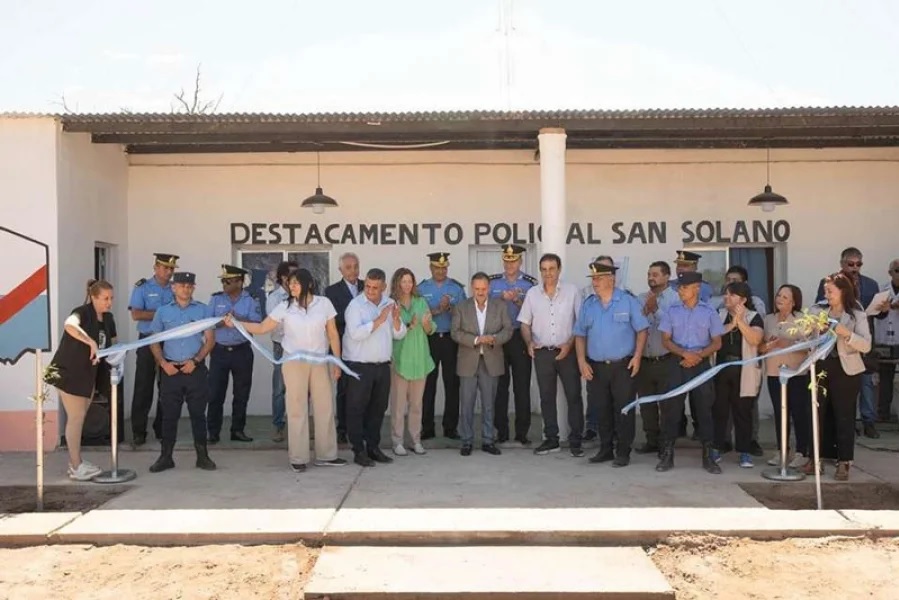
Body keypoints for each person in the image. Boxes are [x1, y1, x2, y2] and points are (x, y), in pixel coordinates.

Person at [227, 269, 346, 472]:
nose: (291, 287)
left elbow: (333, 334)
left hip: (319, 362)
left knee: (325, 407)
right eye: (290, 283)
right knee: (296, 408)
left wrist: (337, 362)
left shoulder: (323, 304)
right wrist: (237, 323)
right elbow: (263, 327)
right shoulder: (284, 307)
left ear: (308, 284)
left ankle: (327, 454)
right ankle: (298, 457)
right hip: (294, 363)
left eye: (296, 283)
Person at [574, 262, 649, 467]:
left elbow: (642, 330)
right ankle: (605, 449)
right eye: (593, 279)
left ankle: (623, 451)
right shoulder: (589, 304)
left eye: (599, 278)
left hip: (622, 366)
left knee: (623, 410)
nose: (595, 282)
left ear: (612, 279)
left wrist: (637, 357)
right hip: (596, 366)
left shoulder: (627, 301)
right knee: (601, 409)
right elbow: (579, 334)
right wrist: (581, 361)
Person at [47, 280, 117, 481]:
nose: (109, 302)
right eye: (105, 298)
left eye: (111, 298)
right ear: (93, 297)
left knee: (80, 417)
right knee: (76, 418)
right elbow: (69, 325)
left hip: (90, 375)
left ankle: (75, 461)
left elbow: (113, 341)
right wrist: (90, 341)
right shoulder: (82, 312)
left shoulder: (108, 318)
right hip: (70, 372)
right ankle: (76, 466)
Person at [147, 272, 216, 473]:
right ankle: (166, 456)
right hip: (170, 370)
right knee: (169, 415)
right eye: (181, 285)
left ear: (193, 288)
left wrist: (196, 361)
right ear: (173, 288)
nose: (185, 289)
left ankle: (202, 456)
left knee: (198, 414)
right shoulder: (162, 312)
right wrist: (162, 363)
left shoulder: (203, 310)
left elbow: (210, 339)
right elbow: (154, 340)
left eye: (189, 285)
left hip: (194, 368)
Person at [806, 273, 872, 481]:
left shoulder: (856, 314)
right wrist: (814, 330)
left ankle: (844, 462)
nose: (827, 295)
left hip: (846, 369)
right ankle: (814, 459)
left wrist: (846, 333)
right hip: (821, 366)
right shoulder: (818, 311)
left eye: (831, 291)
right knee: (816, 413)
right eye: (826, 291)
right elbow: (805, 337)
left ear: (843, 291)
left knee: (844, 415)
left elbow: (866, 345)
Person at [658, 272, 724, 474]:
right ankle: (667, 454)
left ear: (696, 288)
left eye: (684, 287)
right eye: (679, 287)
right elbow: (666, 340)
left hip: (701, 364)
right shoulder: (671, 310)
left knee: (704, 409)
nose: (680, 291)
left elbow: (717, 342)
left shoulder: (709, 311)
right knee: (672, 409)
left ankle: (708, 456)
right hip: (677, 363)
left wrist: (698, 356)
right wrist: (685, 354)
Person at [518, 253, 584, 457]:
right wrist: (529, 342)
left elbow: (580, 323)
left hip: (568, 352)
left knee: (573, 396)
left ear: (559, 269)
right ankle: (551, 439)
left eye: (552, 268)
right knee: (546, 398)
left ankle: (576, 441)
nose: (548, 273)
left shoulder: (572, 291)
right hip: (542, 353)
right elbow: (524, 323)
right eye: (544, 269)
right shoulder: (532, 294)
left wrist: (569, 344)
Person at [343, 268, 407, 467]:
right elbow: (355, 334)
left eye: (375, 288)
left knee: (378, 409)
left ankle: (373, 447)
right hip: (359, 366)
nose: (370, 291)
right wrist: (378, 320)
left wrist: (395, 320)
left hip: (382, 367)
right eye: (368, 286)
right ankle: (358, 450)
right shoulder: (355, 306)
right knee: (356, 409)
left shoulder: (390, 303)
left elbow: (399, 335)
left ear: (384, 287)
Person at [815, 247, 880, 438]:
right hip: (831, 348)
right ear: (842, 263)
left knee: (865, 383)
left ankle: (868, 421)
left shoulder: (870, 284)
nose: (855, 268)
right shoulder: (828, 281)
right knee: (831, 404)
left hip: (859, 339)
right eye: (851, 264)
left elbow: (876, 314)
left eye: (858, 264)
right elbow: (820, 307)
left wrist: (882, 309)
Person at [451, 272, 513, 456]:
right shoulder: (461, 307)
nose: (480, 292)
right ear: (472, 288)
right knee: (467, 404)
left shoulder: (499, 306)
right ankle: (466, 441)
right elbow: (455, 333)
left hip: (491, 360)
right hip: (468, 361)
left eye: (484, 288)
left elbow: (508, 330)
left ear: (489, 288)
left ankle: (488, 440)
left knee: (489, 404)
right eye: (477, 289)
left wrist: (493, 339)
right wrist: (477, 339)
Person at [206, 264, 262, 444]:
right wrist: (221, 321)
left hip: (242, 351)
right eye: (223, 280)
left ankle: (237, 430)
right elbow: (207, 324)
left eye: (227, 280)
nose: (224, 283)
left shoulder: (251, 300)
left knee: (241, 394)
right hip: (220, 351)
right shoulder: (215, 299)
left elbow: (257, 325)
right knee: (215, 394)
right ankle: (213, 432)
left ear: (239, 282)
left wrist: (237, 319)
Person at [711, 282, 764, 469]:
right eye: (726, 294)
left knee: (743, 412)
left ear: (743, 300)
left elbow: (755, 339)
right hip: (721, 369)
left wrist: (740, 321)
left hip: (745, 371)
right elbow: (714, 336)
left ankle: (744, 452)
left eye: (732, 295)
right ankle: (716, 447)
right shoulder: (720, 315)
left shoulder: (754, 317)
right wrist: (732, 323)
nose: (727, 298)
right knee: (719, 410)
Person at [489, 243, 538, 446]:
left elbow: (536, 311)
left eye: (514, 261)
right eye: (507, 261)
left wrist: (518, 302)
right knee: (500, 387)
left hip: (520, 337)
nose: (510, 265)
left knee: (521, 386)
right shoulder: (492, 283)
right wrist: (500, 298)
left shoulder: (530, 284)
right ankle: (501, 431)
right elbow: (485, 307)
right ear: (504, 261)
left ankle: (522, 433)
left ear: (520, 261)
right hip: (499, 337)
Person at [128, 252, 177, 446]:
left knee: (167, 387)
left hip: (170, 341)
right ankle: (139, 431)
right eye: (165, 267)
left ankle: (162, 428)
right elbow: (137, 314)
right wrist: (163, 314)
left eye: (172, 268)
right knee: (143, 386)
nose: (169, 271)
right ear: (155, 267)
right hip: (148, 340)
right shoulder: (143, 287)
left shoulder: (177, 288)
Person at [760, 284, 811, 468]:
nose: (780, 299)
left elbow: (810, 345)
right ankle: (783, 450)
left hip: (796, 372)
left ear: (794, 301)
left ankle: (801, 451)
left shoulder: (802, 319)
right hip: (775, 372)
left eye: (785, 297)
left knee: (798, 412)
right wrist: (769, 345)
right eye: (778, 295)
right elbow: (761, 346)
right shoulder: (769, 319)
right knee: (780, 412)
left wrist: (788, 342)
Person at [418, 252, 466, 440]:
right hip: (429, 339)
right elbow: (419, 312)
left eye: (444, 267)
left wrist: (451, 308)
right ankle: (427, 427)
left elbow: (465, 314)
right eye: (437, 268)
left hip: (450, 339)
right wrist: (438, 308)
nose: (441, 271)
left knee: (452, 384)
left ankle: (450, 428)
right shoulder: (422, 288)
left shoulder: (456, 288)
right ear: (431, 268)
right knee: (428, 384)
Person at [389, 267, 435, 456]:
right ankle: (397, 441)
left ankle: (415, 440)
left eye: (410, 281)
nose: (407, 285)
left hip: (419, 359)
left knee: (416, 404)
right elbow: (391, 331)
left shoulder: (421, 301)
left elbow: (431, 329)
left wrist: (425, 324)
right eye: (404, 281)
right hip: (400, 360)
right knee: (399, 405)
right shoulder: (392, 304)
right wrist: (409, 325)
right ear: (397, 283)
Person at [635, 261, 679, 455]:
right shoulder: (640, 298)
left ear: (666, 276)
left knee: (667, 405)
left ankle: (666, 444)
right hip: (645, 360)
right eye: (649, 274)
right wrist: (645, 310)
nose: (651, 278)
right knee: (647, 404)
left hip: (666, 360)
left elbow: (675, 327)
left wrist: (655, 310)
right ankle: (651, 440)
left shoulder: (675, 299)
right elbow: (636, 325)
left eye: (655, 274)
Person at [324, 253, 363, 444]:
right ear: (340, 270)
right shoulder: (331, 292)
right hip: (343, 347)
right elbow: (332, 322)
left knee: (364, 390)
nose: (353, 271)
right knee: (344, 390)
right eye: (348, 267)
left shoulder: (368, 287)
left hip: (365, 348)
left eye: (355, 266)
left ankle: (361, 427)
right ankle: (343, 428)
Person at [268, 260, 299, 442]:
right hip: (281, 345)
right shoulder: (274, 298)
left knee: (303, 388)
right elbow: (274, 326)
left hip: (301, 346)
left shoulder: (303, 296)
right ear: (283, 277)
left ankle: (300, 425)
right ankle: (278, 426)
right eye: (292, 274)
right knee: (280, 388)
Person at [871, 258, 899, 422]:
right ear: (890, 273)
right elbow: (872, 312)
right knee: (885, 377)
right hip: (884, 340)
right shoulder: (882, 290)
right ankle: (883, 414)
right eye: (897, 270)